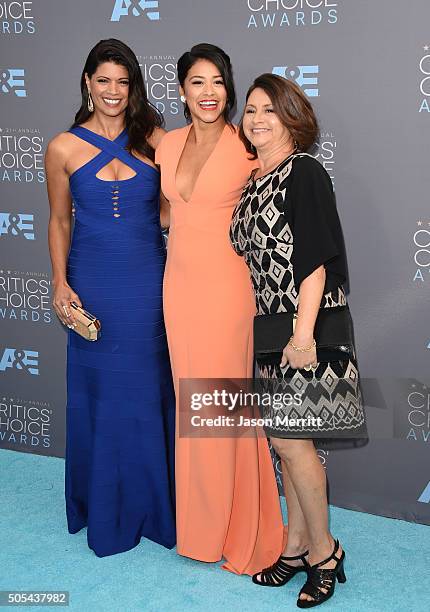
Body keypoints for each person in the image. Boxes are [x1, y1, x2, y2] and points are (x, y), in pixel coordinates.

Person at [230, 74, 366, 607]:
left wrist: (304, 334)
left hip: (307, 327)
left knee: (291, 442)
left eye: (271, 110)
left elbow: (315, 257)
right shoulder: (254, 180)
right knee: (285, 444)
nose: (258, 119)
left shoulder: (303, 171)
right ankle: (294, 546)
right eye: (252, 110)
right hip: (270, 327)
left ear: (293, 119)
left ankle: (325, 552)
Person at [155, 44, 284, 574]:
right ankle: (200, 528)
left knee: (222, 408)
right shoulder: (166, 142)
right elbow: (167, 214)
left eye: (217, 83)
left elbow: (276, 209)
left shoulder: (245, 146)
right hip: (177, 290)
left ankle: (236, 530)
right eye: (197, 82)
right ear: (182, 90)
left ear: (228, 90)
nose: (208, 93)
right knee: (194, 408)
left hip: (228, 292)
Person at [45, 38, 175, 557]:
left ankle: (154, 506)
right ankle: (99, 504)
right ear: (87, 83)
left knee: (146, 389)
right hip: (92, 283)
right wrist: (59, 281)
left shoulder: (157, 139)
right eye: (104, 81)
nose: (113, 91)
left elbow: (171, 212)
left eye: (122, 81)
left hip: (148, 282)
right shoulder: (61, 147)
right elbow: (59, 221)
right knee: (99, 393)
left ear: (133, 85)